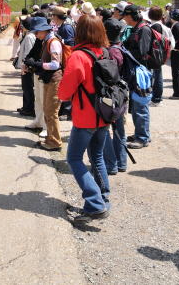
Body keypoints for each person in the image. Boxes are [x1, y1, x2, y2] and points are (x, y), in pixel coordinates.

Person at [58, 15, 111, 223]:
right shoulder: (105, 51)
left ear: (80, 31)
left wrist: (62, 96)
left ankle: (95, 204)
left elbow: (65, 92)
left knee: (74, 158)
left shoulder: (78, 55)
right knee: (97, 157)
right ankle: (103, 198)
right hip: (104, 114)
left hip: (85, 116)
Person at [23, 16, 63, 151]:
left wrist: (38, 65)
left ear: (43, 30)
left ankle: (55, 142)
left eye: (36, 32)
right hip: (48, 79)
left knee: (51, 112)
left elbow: (55, 64)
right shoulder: (46, 40)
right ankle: (50, 138)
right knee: (47, 110)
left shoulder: (53, 42)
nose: (35, 34)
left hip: (54, 80)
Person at [122, 4, 153, 149]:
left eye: (125, 16)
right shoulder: (137, 28)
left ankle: (142, 137)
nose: (124, 19)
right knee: (135, 105)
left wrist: (126, 51)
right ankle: (140, 133)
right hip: (134, 72)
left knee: (140, 105)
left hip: (141, 73)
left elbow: (142, 53)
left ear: (130, 16)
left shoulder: (144, 29)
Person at [103, 18, 129, 174]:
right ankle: (121, 162)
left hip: (111, 94)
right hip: (122, 93)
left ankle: (111, 164)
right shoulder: (121, 48)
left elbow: (108, 75)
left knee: (105, 129)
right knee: (119, 130)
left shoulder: (111, 51)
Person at [148, 6, 174, 106]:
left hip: (155, 55)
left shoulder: (155, 27)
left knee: (156, 76)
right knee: (158, 75)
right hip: (161, 54)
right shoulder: (163, 26)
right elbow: (172, 42)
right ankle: (157, 98)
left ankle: (156, 99)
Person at [15, 16, 37, 117]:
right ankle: (26, 107)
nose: (21, 26)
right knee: (25, 88)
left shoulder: (29, 37)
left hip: (26, 67)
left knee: (27, 88)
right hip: (27, 66)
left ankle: (29, 109)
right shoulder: (29, 35)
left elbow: (27, 53)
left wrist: (25, 66)